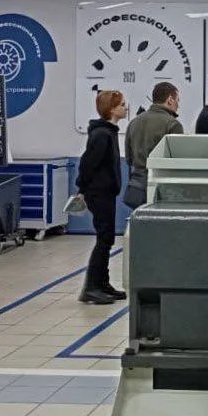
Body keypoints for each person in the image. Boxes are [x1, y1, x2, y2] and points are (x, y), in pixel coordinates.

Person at [76, 90, 127, 305]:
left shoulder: (109, 132)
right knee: (104, 238)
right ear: (111, 109)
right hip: (99, 193)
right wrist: (82, 187)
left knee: (107, 238)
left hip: (106, 192)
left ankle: (102, 283)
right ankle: (91, 287)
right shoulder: (102, 135)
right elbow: (88, 164)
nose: (125, 107)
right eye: (122, 104)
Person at [123, 82, 183, 208]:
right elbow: (177, 163)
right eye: (177, 100)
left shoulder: (134, 122)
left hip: (137, 188)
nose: (178, 105)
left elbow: (129, 159)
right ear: (170, 100)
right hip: (162, 191)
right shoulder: (173, 124)